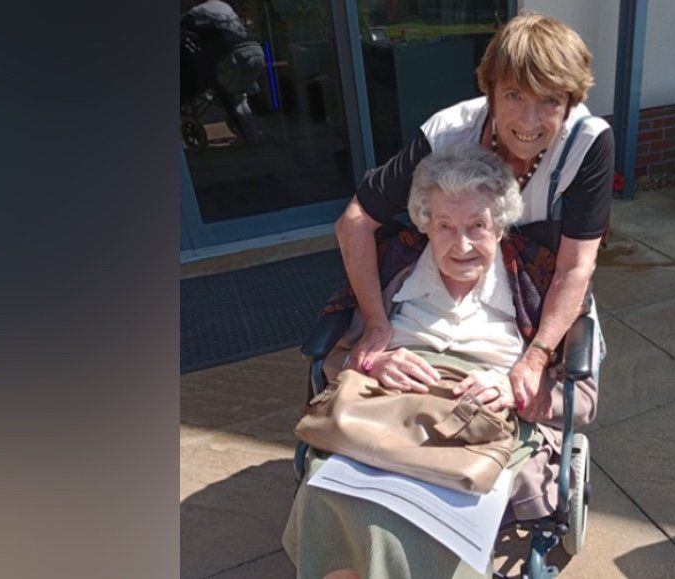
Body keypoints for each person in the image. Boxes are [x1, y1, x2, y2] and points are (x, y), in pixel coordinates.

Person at [283, 143, 598, 579]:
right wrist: (372, 363)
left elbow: (582, 399)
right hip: (385, 411)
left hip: (478, 426)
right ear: (424, 224)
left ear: (501, 226)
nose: (462, 244)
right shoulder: (394, 265)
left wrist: (518, 389)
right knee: (328, 498)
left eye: (478, 225)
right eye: (446, 225)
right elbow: (332, 363)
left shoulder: (538, 278)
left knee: (426, 523)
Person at [334, 12, 613, 427]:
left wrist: (536, 356)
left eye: (550, 100)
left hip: (531, 292)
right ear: (490, 92)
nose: (528, 122)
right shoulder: (445, 134)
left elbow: (575, 266)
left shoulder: (586, 144)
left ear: (570, 103)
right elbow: (355, 221)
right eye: (515, 95)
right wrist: (375, 325)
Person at [180, 0, 265, 144]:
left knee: (228, 95)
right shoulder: (221, 8)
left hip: (230, 60)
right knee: (237, 97)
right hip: (254, 53)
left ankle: (251, 136)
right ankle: (251, 131)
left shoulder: (193, 17)